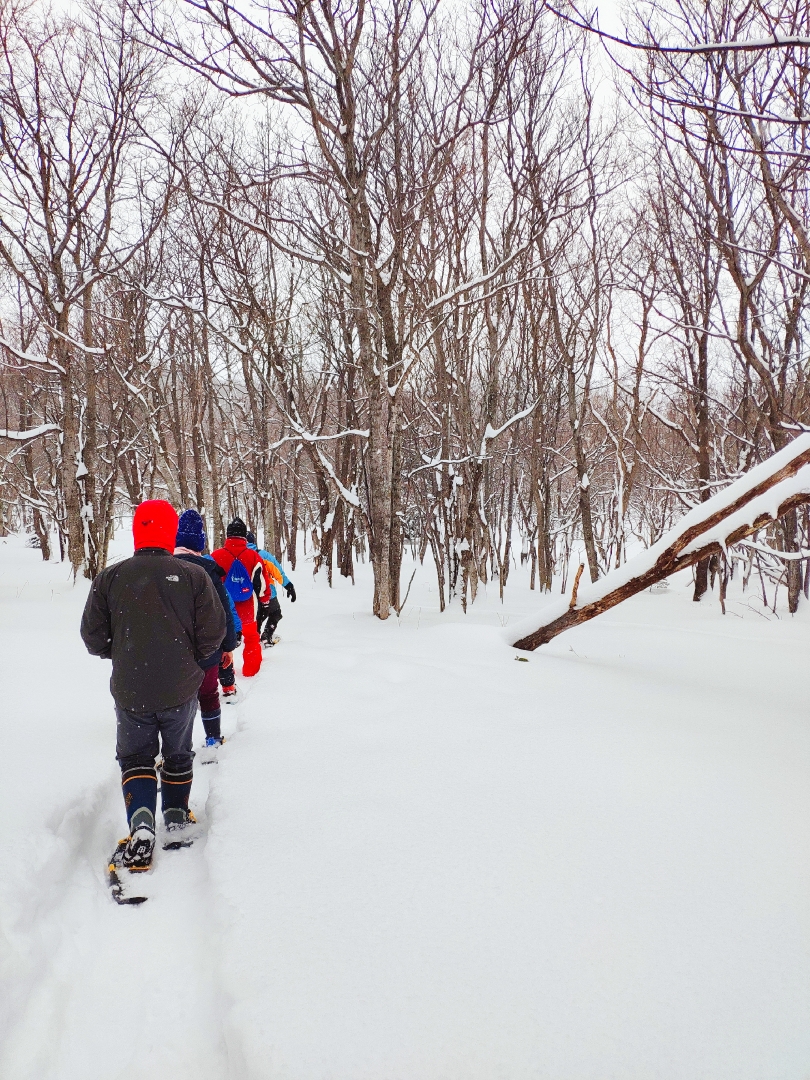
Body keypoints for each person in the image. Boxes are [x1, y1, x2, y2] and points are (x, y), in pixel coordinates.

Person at [80, 500, 225, 871]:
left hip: (131, 689)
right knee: (177, 753)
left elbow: (93, 637)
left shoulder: (110, 578)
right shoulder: (194, 576)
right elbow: (214, 632)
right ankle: (175, 816)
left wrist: (124, 651)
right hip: (180, 688)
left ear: (137, 532)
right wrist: (191, 658)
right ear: (169, 531)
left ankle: (142, 824)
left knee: (136, 757)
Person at [173, 509, 237, 746]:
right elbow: (224, 611)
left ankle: (177, 747)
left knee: (178, 699)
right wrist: (228, 646)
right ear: (200, 542)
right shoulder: (207, 570)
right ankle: (212, 739)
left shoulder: (163, 567)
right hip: (207, 649)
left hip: (174, 650)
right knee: (208, 694)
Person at [210, 517, 270, 678]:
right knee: (251, 638)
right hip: (248, 607)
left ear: (228, 537)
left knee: (223, 642)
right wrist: (265, 600)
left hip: (223, 610)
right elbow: (262, 583)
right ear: (244, 536)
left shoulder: (216, 556)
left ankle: (225, 675)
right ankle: (251, 672)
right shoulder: (253, 556)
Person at [246, 530, 296, 646]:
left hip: (248, 596)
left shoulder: (238, 557)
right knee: (275, 613)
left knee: (256, 618)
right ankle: (266, 636)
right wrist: (289, 586)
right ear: (253, 541)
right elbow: (278, 572)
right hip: (267, 594)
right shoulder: (263, 555)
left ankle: (254, 640)